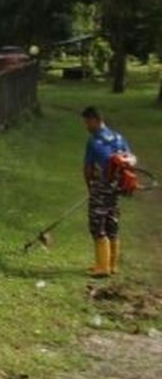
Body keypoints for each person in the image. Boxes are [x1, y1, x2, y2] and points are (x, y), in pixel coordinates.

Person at [82, 106, 132, 277]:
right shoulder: (118, 137)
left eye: (87, 122)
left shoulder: (94, 141)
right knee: (112, 223)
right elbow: (130, 160)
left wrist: (90, 186)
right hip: (116, 188)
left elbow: (88, 168)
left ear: (95, 120)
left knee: (97, 224)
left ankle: (102, 266)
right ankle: (112, 265)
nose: (86, 126)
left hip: (101, 187)